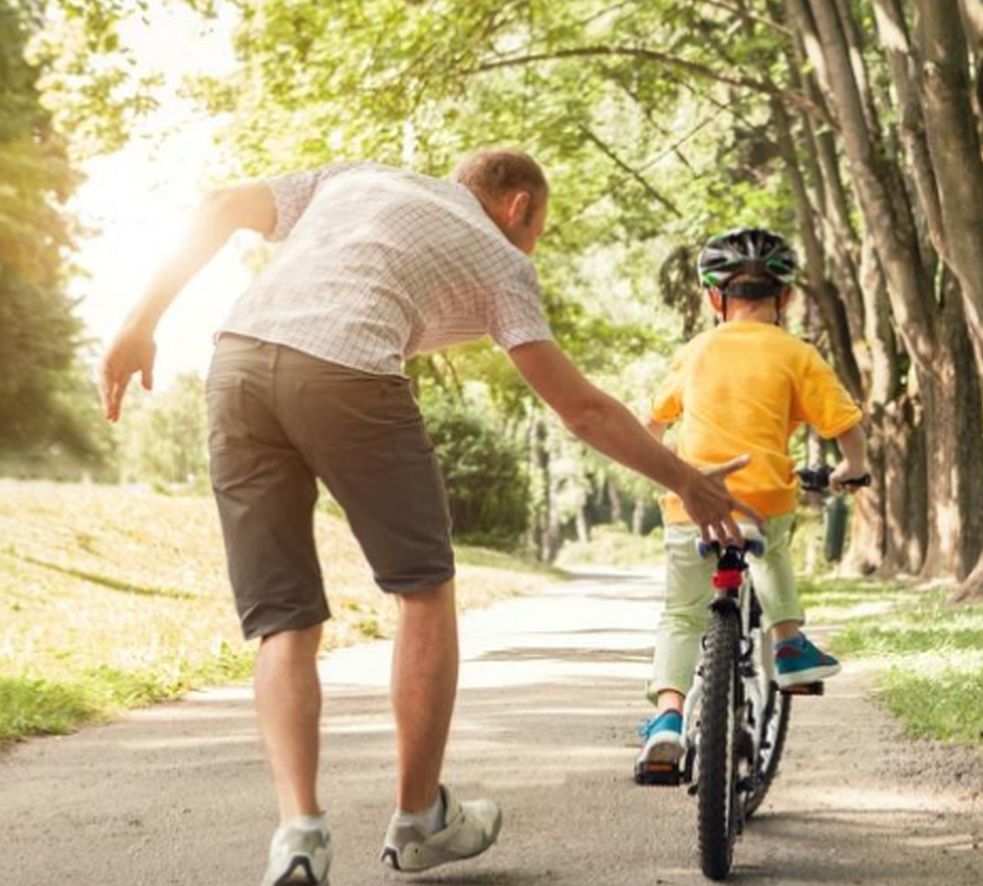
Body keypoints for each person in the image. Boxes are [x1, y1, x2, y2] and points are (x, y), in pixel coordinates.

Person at [100, 151, 759, 886]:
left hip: (238, 366)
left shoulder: (356, 177)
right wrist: (686, 481)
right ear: (517, 208)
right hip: (348, 371)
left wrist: (139, 323)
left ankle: (299, 834)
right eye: (537, 228)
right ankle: (417, 820)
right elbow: (581, 408)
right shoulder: (502, 257)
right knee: (422, 589)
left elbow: (218, 203)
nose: (531, 245)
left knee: (283, 619)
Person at [634, 227, 869, 779]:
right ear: (783, 297)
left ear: (715, 299)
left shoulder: (695, 351)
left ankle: (668, 719)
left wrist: (669, 470)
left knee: (681, 613)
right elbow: (845, 425)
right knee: (771, 551)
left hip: (691, 499)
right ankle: (788, 645)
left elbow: (651, 424)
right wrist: (851, 469)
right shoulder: (797, 353)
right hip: (762, 496)